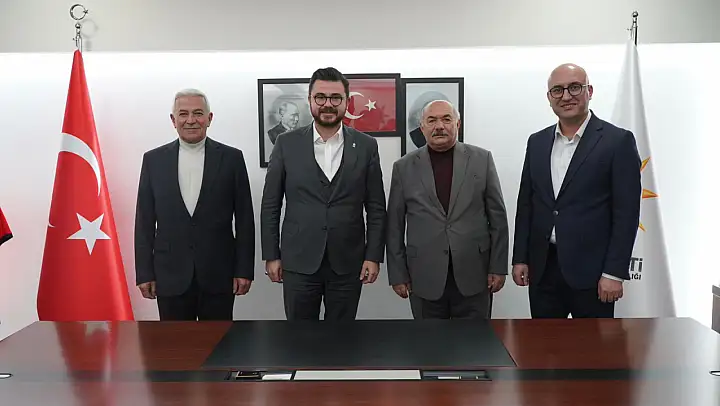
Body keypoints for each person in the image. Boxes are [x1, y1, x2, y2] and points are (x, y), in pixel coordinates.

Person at [511, 63, 642, 318]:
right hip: (543, 268)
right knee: (544, 342)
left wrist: (614, 272)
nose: (566, 96)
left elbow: (626, 214)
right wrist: (520, 258)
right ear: (549, 97)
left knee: (593, 344)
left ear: (589, 91)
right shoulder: (537, 142)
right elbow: (526, 204)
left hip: (594, 273)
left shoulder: (618, 141)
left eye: (574, 87)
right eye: (557, 90)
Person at [260, 67, 387, 321]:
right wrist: (271, 255)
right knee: (299, 336)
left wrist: (373, 256)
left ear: (346, 102)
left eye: (335, 98)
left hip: (348, 261)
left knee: (341, 337)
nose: (328, 104)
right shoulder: (286, 143)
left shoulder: (366, 145)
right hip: (298, 260)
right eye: (320, 97)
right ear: (310, 100)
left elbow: (376, 207)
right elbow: (271, 205)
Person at [134, 88, 255, 321]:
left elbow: (245, 220)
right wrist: (144, 273)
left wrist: (243, 270)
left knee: (219, 342)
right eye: (183, 114)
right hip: (169, 276)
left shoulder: (232, 159)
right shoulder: (153, 160)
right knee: (174, 343)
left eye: (198, 113)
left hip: (219, 274)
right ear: (173, 120)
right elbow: (144, 222)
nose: (191, 120)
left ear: (209, 118)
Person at [386, 100, 509, 319]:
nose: (439, 126)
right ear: (422, 127)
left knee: (475, 339)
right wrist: (397, 274)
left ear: (457, 124)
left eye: (446, 119)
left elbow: (498, 218)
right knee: (430, 341)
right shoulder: (403, 167)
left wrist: (498, 267)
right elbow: (394, 226)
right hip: (424, 276)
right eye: (432, 120)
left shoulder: (482, 160)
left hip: (475, 274)